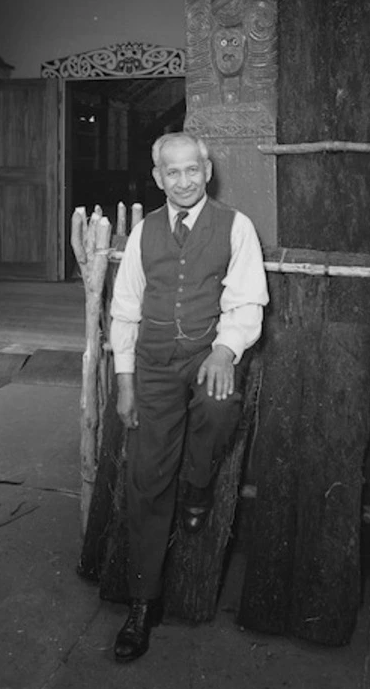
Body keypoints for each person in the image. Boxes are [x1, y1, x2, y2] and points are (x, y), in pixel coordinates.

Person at [109, 131, 269, 662]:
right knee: (147, 479)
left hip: (205, 355)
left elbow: (247, 301)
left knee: (222, 404)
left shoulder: (235, 226)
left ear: (207, 171)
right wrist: (126, 382)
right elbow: (125, 308)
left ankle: (198, 483)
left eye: (192, 170)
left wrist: (225, 350)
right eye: (171, 173)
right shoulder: (143, 234)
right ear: (158, 178)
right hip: (153, 366)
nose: (183, 181)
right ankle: (142, 602)